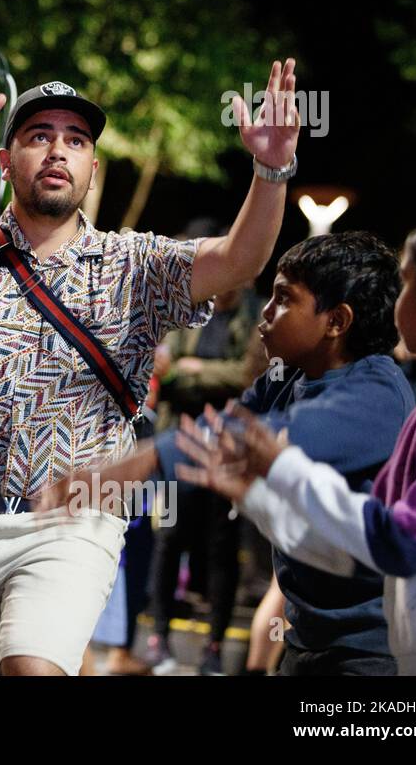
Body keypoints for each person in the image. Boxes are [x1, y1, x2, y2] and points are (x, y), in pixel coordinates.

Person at [0, 50, 301, 676]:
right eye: (39, 136)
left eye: (75, 140)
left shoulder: (135, 263)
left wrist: (271, 171)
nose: (58, 150)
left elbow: (240, 260)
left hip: (69, 525)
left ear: (93, 169)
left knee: (33, 668)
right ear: (5, 161)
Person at [46, 231, 416, 675]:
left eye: (284, 299)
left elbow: (264, 439)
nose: (266, 311)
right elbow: (226, 425)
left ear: (336, 321)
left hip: (370, 650)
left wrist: (140, 463)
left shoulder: (379, 391)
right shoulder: (285, 378)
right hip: (308, 636)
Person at [179, 207, 416, 674]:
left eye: (404, 283)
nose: (392, 299)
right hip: (335, 648)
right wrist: (258, 496)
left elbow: (402, 543)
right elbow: (361, 548)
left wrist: (282, 467)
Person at [146, 281, 267, 675]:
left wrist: (192, 370)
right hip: (175, 442)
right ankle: (158, 638)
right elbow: (163, 369)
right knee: (168, 538)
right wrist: (187, 372)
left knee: (222, 546)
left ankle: (213, 647)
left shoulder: (255, 317)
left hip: (227, 447)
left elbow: (247, 374)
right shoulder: (189, 311)